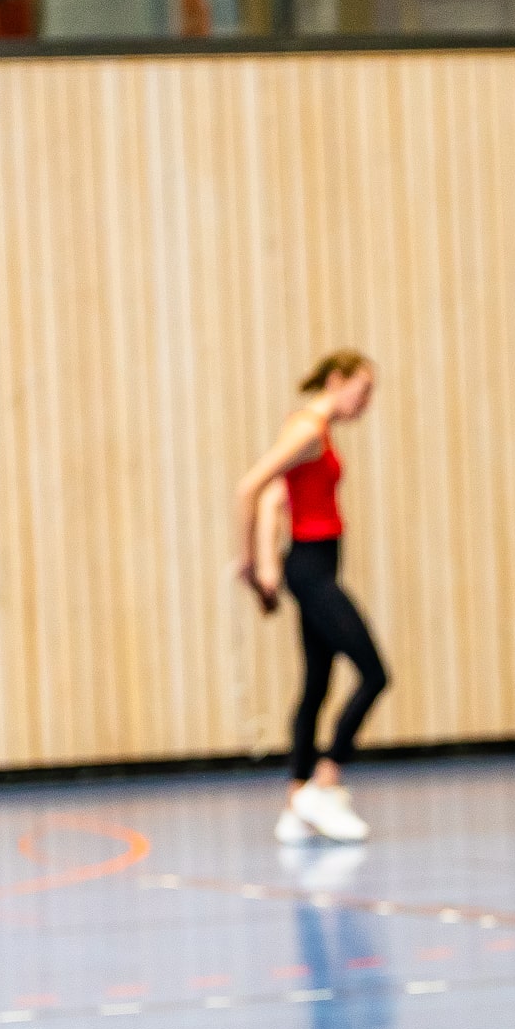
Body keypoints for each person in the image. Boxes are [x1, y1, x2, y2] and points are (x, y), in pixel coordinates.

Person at [233, 350, 388, 845]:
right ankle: (324, 780)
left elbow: (280, 497)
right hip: (314, 572)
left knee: (317, 685)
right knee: (374, 673)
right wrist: (251, 563)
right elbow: (250, 487)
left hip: (310, 566)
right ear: (337, 381)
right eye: (362, 391)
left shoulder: (311, 430)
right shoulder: (306, 429)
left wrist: (269, 560)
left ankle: (298, 799)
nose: (365, 403)